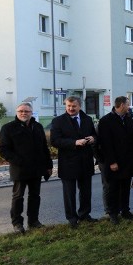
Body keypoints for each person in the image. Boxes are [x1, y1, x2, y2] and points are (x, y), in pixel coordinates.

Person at [0, 102, 53, 233]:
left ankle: (34, 221)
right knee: (18, 197)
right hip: (19, 169)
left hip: (36, 169)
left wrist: (49, 165)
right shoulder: (8, 128)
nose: (24, 113)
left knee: (35, 196)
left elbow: (44, 148)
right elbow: (3, 149)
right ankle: (17, 223)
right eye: (21, 111)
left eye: (26, 111)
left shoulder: (38, 127)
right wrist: (19, 161)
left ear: (31, 113)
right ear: (17, 113)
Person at [51, 96, 98, 228]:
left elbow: (95, 135)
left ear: (80, 106)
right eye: (68, 106)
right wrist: (74, 143)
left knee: (86, 191)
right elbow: (54, 141)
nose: (71, 109)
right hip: (68, 162)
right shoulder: (58, 121)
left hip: (85, 161)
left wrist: (93, 139)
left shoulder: (87, 119)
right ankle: (71, 217)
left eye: (74, 106)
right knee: (69, 193)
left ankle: (84, 214)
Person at [97, 96, 133, 224]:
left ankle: (125, 210)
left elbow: (132, 140)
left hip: (127, 161)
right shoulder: (106, 121)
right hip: (112, 162)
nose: (129, 107)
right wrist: (112, 161)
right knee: (112, 188)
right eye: (128, 104)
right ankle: (112, 213)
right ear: (121, 105)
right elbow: (105, 144)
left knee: (125, 187)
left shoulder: (128, 119)